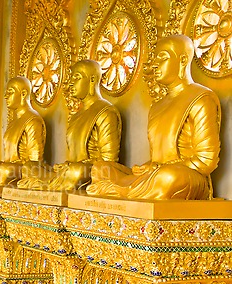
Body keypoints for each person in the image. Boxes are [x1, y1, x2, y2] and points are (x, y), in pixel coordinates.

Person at [86, 34, 221, 200]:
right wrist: (148, 167)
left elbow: (206, 161)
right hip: (156, 175)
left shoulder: (201, 98)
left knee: (168, 178)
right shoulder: (157, 105)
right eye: (155, 59)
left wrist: (159, 168)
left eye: (162, 58)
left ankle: (122, 191)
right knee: (100, 169)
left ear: (183, 60)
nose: (155, 65)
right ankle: (123, 189)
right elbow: (158, 158)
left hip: (187, 178)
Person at [17, 59, 121, 191]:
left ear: (92, 80)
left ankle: (49, 186)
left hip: (87, 173)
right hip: (70, 171)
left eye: (77, 77)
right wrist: (66, 166)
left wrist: (76, 167)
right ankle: (51, 185)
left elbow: (108, 164)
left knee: (76, 171)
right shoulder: (76, 115)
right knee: (29, 168)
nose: (71, 83)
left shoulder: (106, 112)